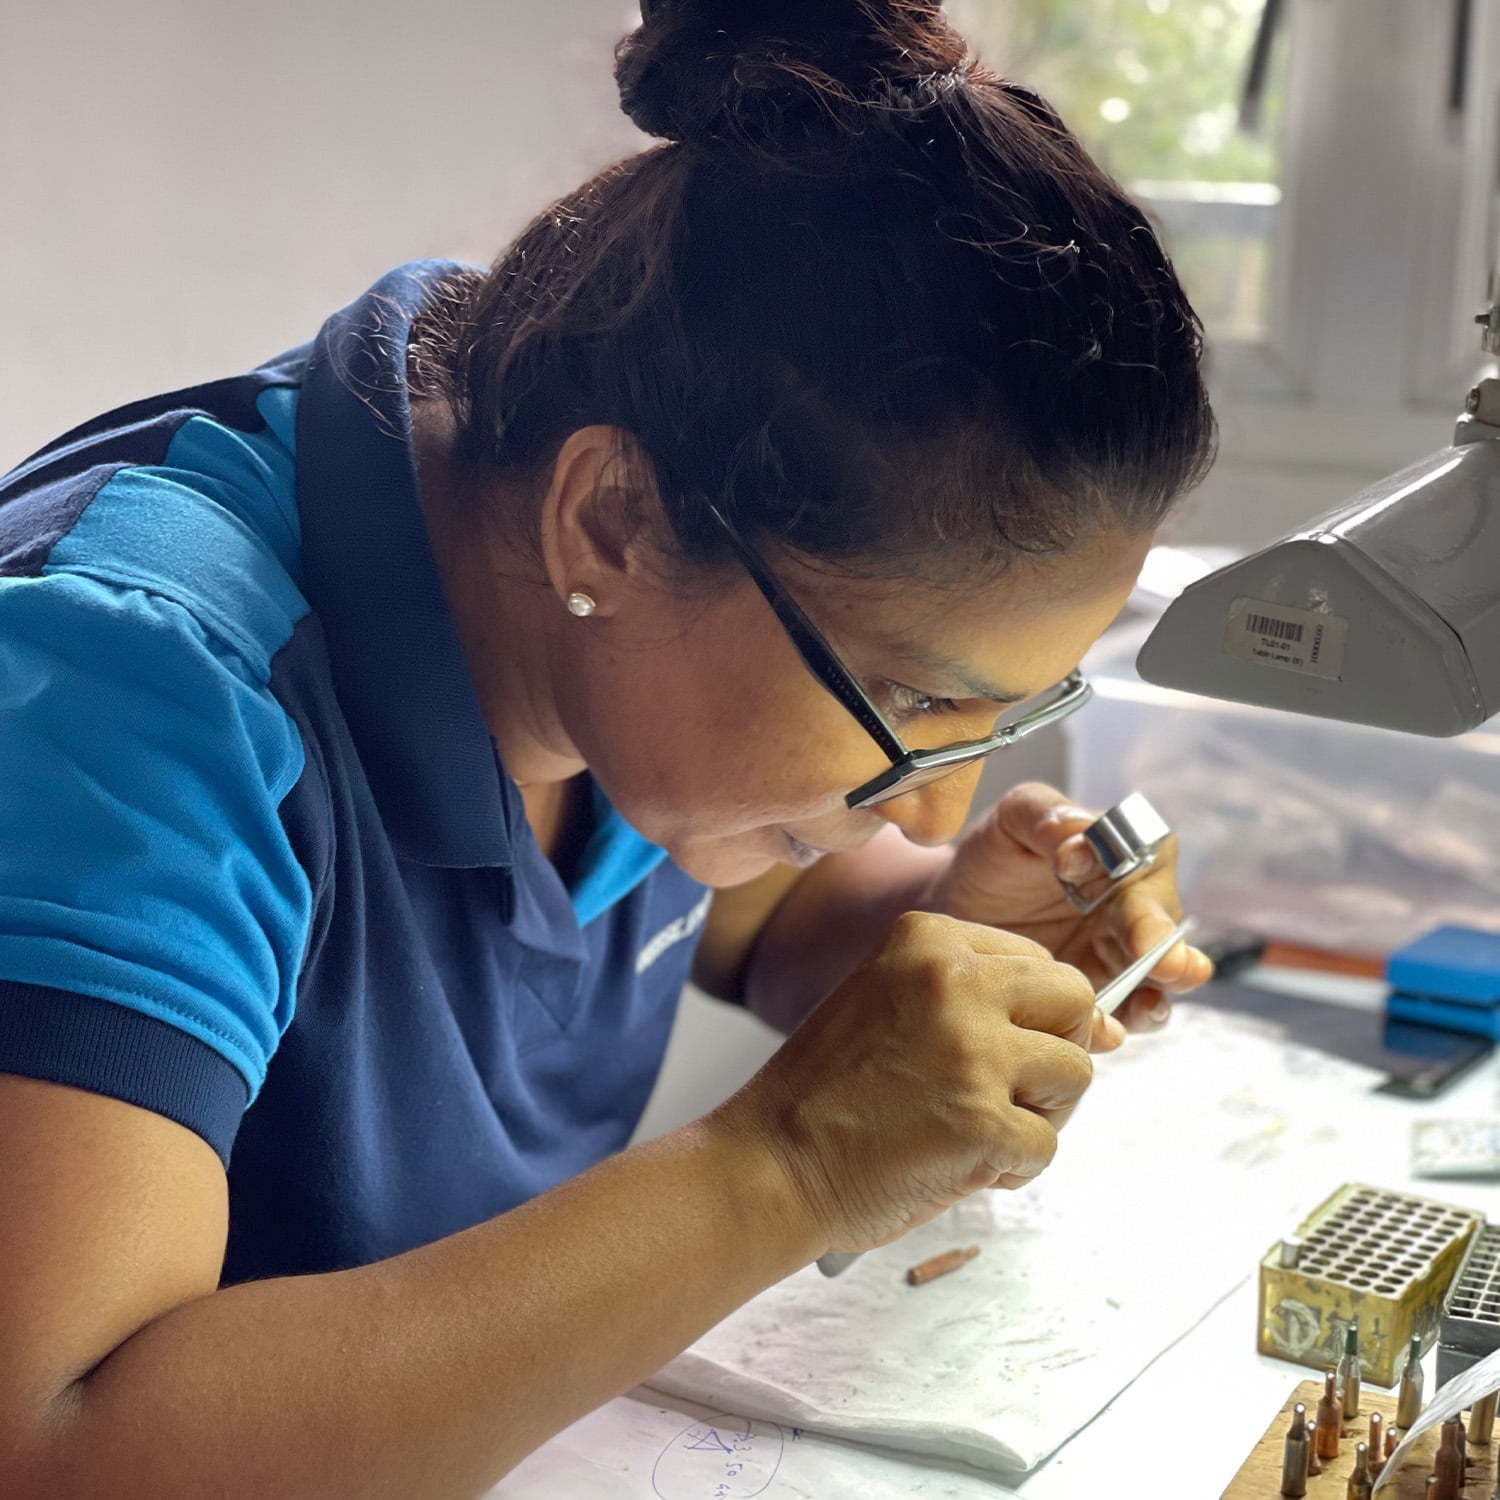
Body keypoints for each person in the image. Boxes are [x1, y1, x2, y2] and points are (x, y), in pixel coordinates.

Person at [0, 2, 1217, 1496]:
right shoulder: (130, 699)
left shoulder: (601, 607)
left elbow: (740, 919)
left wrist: (937, 934)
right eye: (911, 700)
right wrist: (788, 1162)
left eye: (1009, 715)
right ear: (612, 521)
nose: (938, 790)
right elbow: (56, 1443)